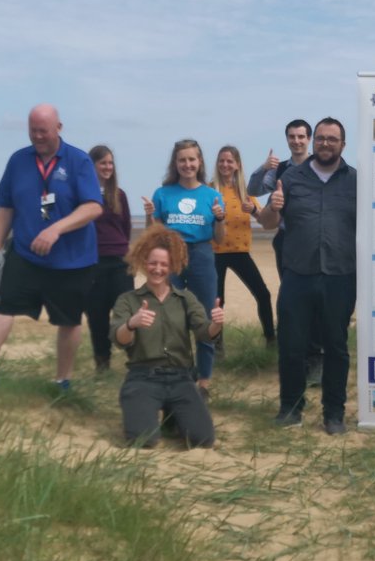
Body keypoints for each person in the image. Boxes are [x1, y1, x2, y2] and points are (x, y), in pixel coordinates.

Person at [0, 104, 102, 389]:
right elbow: (6, 206)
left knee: (69, 320)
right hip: (25, 254)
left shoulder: (79, 161)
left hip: (72, 260)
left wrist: (56, 229)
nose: (38, 136)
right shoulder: (18, 161)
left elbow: (92, 207)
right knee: (2, 307)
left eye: (43, 131)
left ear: (59, 128)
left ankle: (62, 380)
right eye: (33, 131)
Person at [257, 117, 356, 435]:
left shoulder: (355, 180)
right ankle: (290, 408)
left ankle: (334, 413)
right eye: (321, 139)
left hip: (340, 276)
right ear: (313, 142)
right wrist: (272, 205)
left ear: (343, 144)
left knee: (336, 347)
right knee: (292, 345)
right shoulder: (292, 177)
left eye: (333, 139)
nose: (326, 144)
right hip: (297, 274)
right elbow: (269, 224)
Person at [110, 225, 222, 448]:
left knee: (203, 439)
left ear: (172, 267)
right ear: (143, 262)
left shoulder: (185, 298)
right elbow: (119, 339)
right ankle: (143, 410)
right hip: (143, 377)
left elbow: (204, 332)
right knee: (144, 441)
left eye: (164, 264)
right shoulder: (128, 300)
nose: (158, 269)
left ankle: (173, 416)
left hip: (181, 377)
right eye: (153, 263)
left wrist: (216, 325)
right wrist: (132, 324)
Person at [142, 140, 224, 401]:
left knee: (204, 318)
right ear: (175, 164)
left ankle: (204, 381)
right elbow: (152, 233)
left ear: (199, 162)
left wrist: (220, 219)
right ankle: (178, 374)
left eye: (192, 159)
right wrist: (148, 215)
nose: (187, 165)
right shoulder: (163, 193)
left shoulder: (212, 195)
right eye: (182, 160)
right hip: (171, 255)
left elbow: (220, 238)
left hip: (201, 254)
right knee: (171, 318)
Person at [248, 119, 321, 371]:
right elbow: (253, 190)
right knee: (291, 297)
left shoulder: (319, 166)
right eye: (292, 136)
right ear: (287, 139)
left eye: (301, 136)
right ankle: (294, 353)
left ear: (309, 139)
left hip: (314, 241)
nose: (297, 141)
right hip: (285, 240)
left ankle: (315, 356)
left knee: (316, 297)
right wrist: (263, 167)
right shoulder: (280, 170)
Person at [211, 145, 275, 348]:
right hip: (215, 254)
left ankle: (271, 340)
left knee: (263, 294)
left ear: (237, 164)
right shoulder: (209, 189)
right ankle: (217, 345)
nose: (225, 164)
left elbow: (265, 222)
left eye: (230, 161)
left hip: (240, 252)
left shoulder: (246, 191)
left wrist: (254, 209)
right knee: (218, 301)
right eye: (222, 160)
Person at [84, 145, 135, 373]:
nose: (107, 167)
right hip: (92, 263)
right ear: (92, 165)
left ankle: (136, 361)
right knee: (97, 317)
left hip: (120, 261)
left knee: (126, 315)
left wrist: (125, 253)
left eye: (110, 163)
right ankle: (102, 366)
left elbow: (126, 228)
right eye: (103, 163)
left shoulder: (119, 195)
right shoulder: (83, 194)